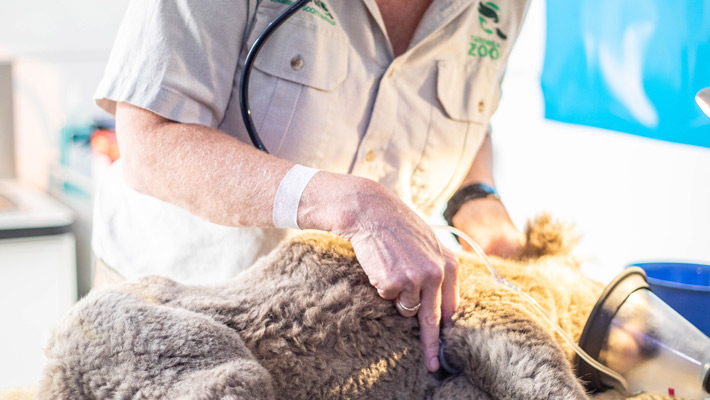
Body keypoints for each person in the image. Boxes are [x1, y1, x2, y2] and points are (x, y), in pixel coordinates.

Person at [92, 0, 530, 373]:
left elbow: (470, 111)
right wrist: (351, 206)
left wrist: (476, 197)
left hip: (351, 336)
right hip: (177, 310)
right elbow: (151, 143)